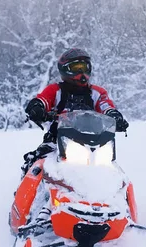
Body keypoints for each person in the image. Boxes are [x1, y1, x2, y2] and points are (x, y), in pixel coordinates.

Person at [20, 48, 129, 176]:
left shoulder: (97, 93)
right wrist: (37, 107)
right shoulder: (55, 90)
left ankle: (120, 194)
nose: (81, 73)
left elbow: (106, 106)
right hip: (56, 141)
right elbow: (43, 99)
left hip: (94, 142)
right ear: (65, 70)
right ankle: (27, 194)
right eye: (76, 68)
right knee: (37, 164)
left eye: (84, 68)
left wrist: (114, 116)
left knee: (113, 171)